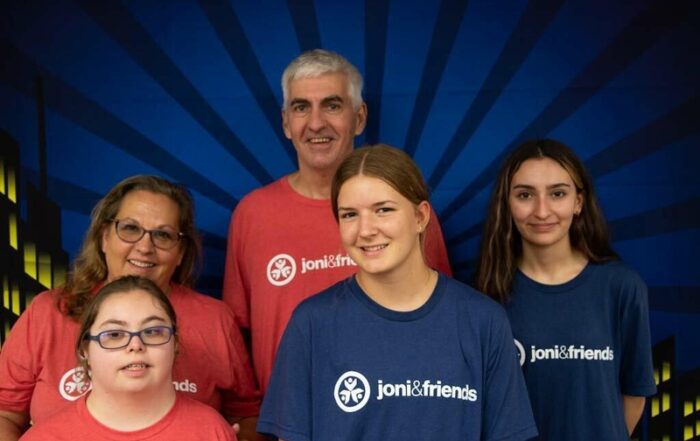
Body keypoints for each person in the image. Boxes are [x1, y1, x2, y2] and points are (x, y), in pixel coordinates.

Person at [257, 145, 537, 441]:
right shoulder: (311, 323)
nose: (366, 230)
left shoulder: (483, 321)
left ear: (420, 217)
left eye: (383, 210)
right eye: (350, 214)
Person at [223, 49, 452, 394]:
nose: (316, 123)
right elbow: (236, 337)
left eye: (332, 105)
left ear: (359, 118)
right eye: (301, 107)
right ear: (286, 122)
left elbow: (441, 317)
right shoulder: (251, 215)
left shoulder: (405, 212)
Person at [0, 175, 261, 440]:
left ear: (181, 251)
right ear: (104, 237)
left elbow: (246, 414)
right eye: (130, 229)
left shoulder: (214, 320)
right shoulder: (49, 312)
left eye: (163, 235)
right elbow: (4, 412)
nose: (145, 247)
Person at [475, 139, 657, 440]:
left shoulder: (622, 286)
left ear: (578, 202)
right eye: (525, 195)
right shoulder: (486, 293)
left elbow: (635, 393)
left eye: (558, 193)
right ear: (507, 203)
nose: (542, 211)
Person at [21, 276, 236, 440]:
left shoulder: (212, 431)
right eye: (114, 335)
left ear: (175, 343)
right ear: (85, 350)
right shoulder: (45, 437)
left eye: (152, 332)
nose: (135, 345)